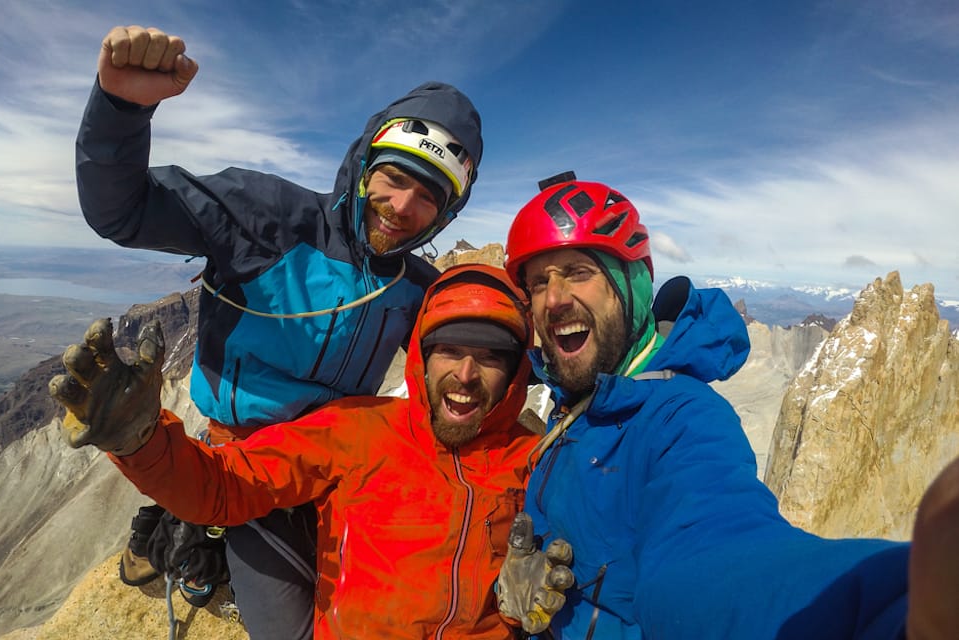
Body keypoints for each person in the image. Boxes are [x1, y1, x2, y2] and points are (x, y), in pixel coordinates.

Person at [74, 25, 483, 636]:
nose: (403, 208)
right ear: (364, 163)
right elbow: (122, 211)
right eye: (395, 178)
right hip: (243, 464)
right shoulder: (263, 217)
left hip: (335, 462)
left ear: (447, 214)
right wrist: (122, 106)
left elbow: (476, 351)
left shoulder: (414, 285)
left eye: (429, 198)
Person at [496, 172, 959, 639]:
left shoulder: (682, 418)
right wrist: (523, 585)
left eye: (579, 272)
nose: (553, 299)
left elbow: (715, 560)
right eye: (538, 283)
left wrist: (894, 612)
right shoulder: (575, 408)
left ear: (632, 285)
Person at [49, 264, 574, 639]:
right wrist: (139, 441)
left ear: (514, 372)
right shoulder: (360, 430)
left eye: (489, 357)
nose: (464, 375)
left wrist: (519, 613)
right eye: (450, 350)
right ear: (421, 357)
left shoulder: (539, 461)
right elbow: (229, 486)